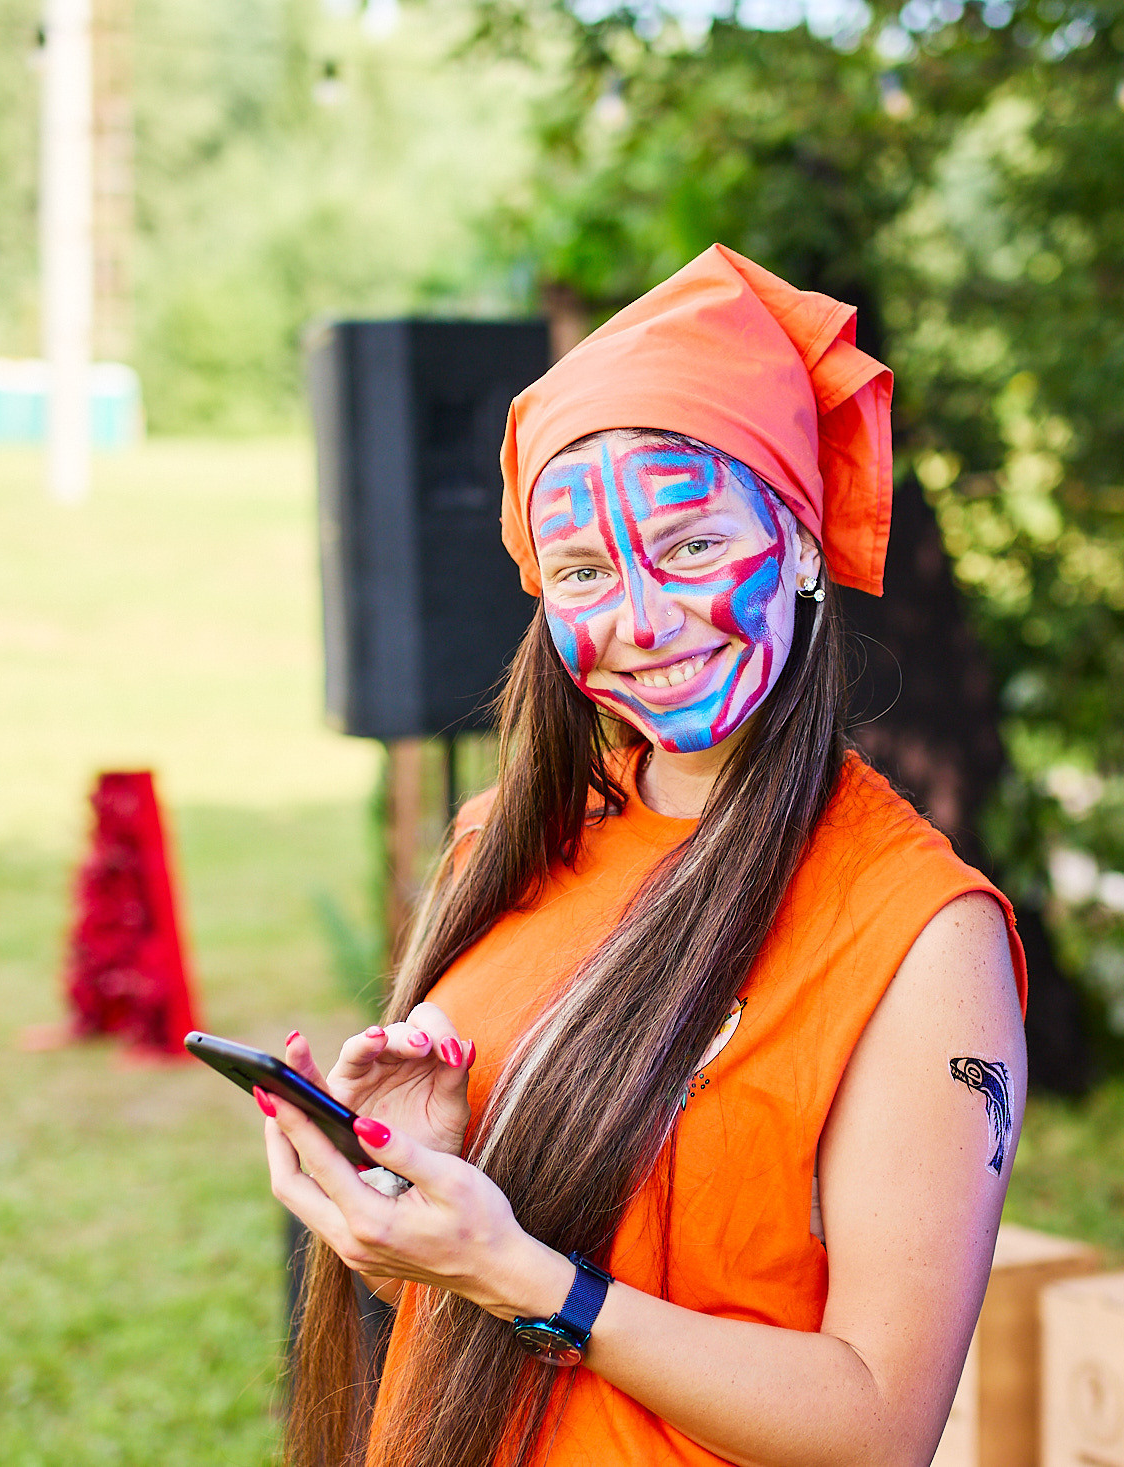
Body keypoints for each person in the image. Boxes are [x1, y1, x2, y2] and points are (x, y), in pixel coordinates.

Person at [260, 245, 1030, 1467]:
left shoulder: (922, 936)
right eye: (582, 571)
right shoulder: (501, 837)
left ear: (797, 540)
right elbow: (449, 1288)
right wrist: (402, 1191)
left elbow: (877, 1425)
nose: (639, 621)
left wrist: (525, 1277)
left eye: (683, 549)